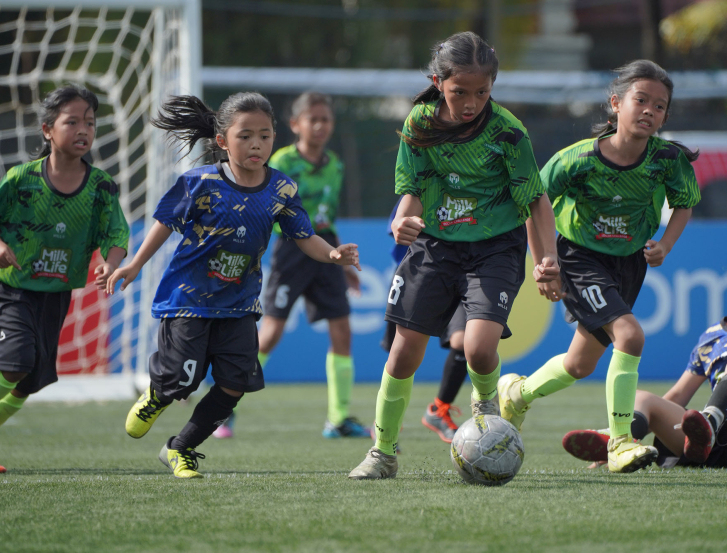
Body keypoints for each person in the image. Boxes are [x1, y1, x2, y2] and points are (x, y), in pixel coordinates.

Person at [107, 93, 361, 479]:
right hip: (188, 300)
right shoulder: (200, 182)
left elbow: (304, 234)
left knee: (233, 385)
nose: (256, 144)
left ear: (275, 136)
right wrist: (135, 264)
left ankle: (181, 449)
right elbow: (164, 222)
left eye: (264, 135)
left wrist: (332, 256)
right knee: (183, 380)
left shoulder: (282, 189)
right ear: (222, 141)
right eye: (245, 136)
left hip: (240, 304)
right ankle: (159, 393)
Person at [348, 31, 560, 480]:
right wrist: (400, 222)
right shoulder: (419, 124)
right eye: (459, 91)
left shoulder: (507, 131)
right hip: (437, 246)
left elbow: (536, 200)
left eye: (481, 92)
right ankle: (382, 452)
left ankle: (485, 413)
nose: (470, 102)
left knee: (480, 350)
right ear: (437, 81)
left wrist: (548, 259)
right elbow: (411, 193)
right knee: (403, 354)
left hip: (496, 247)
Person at [497, 60, 702, 473]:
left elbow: (684, 205)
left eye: (659, 106)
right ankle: (620, 443)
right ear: (616, 103)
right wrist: (545, 264)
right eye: (640, 100)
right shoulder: (575, 161)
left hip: (628, 264)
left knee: (580, 364)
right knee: (630, 334)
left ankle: (518, 393)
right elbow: (533, 206)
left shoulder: (667, 159)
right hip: (579, 258)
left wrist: (664, 243)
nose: (649, 110)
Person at [0, 85, 130, 474]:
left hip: (56, 295)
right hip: (14, 289)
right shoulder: (23, 179)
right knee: (16, 362)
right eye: (71, 121)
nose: (82, 130)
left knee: (27, 383)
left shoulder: (101, 188)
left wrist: (111, 263)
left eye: (89, 123)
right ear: (47, 130)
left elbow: (116, 235)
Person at [225, 91, 366, 440]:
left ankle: (338, 418)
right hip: (291, 250)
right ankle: (225, 408)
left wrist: (343, 262)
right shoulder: (282, 163)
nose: (320, 126)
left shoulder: (335, 165)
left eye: (326, 119)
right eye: (312, 119)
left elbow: (326, 217)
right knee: (270, 333)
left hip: (326, 251)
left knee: (342, 330)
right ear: (295, 124)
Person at [563, 251, 727, 468]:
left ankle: (709, 422)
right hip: (710, 446)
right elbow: (678, 395)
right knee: (643, 398)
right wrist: (653, 415)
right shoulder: (713, 335)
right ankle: (620, 441)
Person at [381, 199, 468, 445]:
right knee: (400, 355)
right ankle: (387, 431)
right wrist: (405, 223)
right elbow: (397, 228)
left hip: (464, 271)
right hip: (418, 271)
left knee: (464, 342)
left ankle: (439, 409)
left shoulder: (478, 183)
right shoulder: (424, 180)